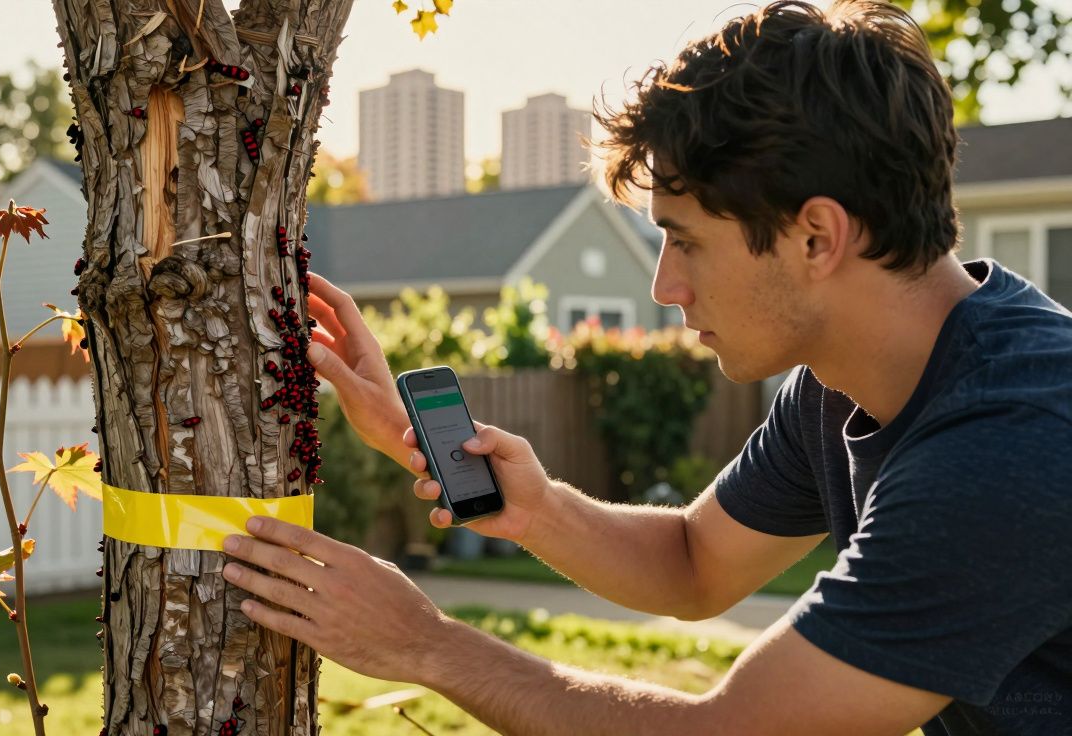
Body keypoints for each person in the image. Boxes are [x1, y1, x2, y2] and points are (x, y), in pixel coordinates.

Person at [219, 1, 1072, 733]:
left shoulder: (1009, 444)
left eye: (687, 241)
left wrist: (426, 644)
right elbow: (696, 562)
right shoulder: (839, 385)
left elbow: (732, 732)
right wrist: (534, 505)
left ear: (817, 237)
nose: (665, 286)